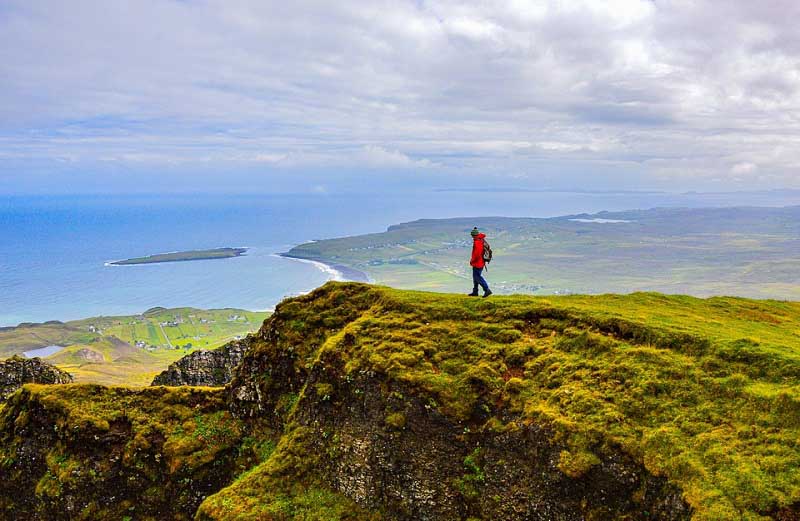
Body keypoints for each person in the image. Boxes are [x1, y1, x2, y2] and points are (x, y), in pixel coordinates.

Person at [468, 227, 492, 298]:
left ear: (474, 235)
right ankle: (475, 292)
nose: (472, 237)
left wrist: (472, 261)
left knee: (477, 277)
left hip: (478, 262)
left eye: (472, 235)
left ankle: (487, 290)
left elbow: (477, 254)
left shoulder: (477, 242)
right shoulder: (481, 239)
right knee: (475, 277)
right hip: (480, 262)